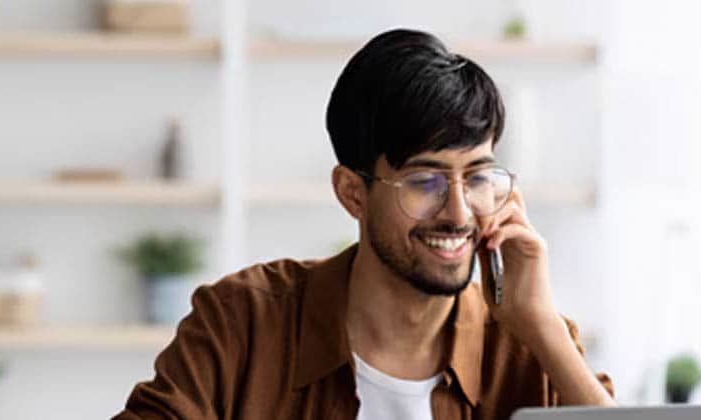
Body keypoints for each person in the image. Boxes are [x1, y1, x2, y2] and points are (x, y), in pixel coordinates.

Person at [113, 28, 615, 420]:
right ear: (352, 192)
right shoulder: (241, 323)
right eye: (425, 181)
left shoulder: (531, 342)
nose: (460, 213)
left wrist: (545, 332)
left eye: (478, 177)